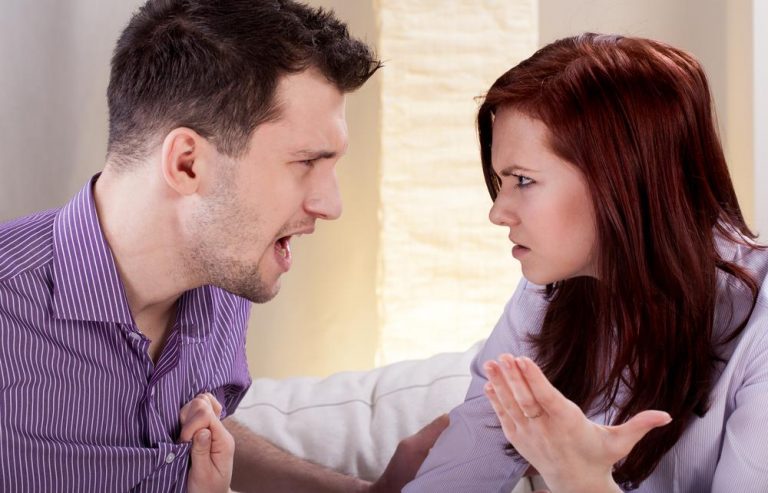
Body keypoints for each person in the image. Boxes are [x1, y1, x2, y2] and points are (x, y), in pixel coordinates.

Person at [0, 1, 445, 491]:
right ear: (188, 163)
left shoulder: (224, 283)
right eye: (305, 163)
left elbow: (185, 435)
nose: (331, 205)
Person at [404, 33, 768, 492]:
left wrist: (581, 479)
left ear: (622, 178)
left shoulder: (759, 331)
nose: (498, 212)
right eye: (501, 182)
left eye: (523, 180)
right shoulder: (549, 294)